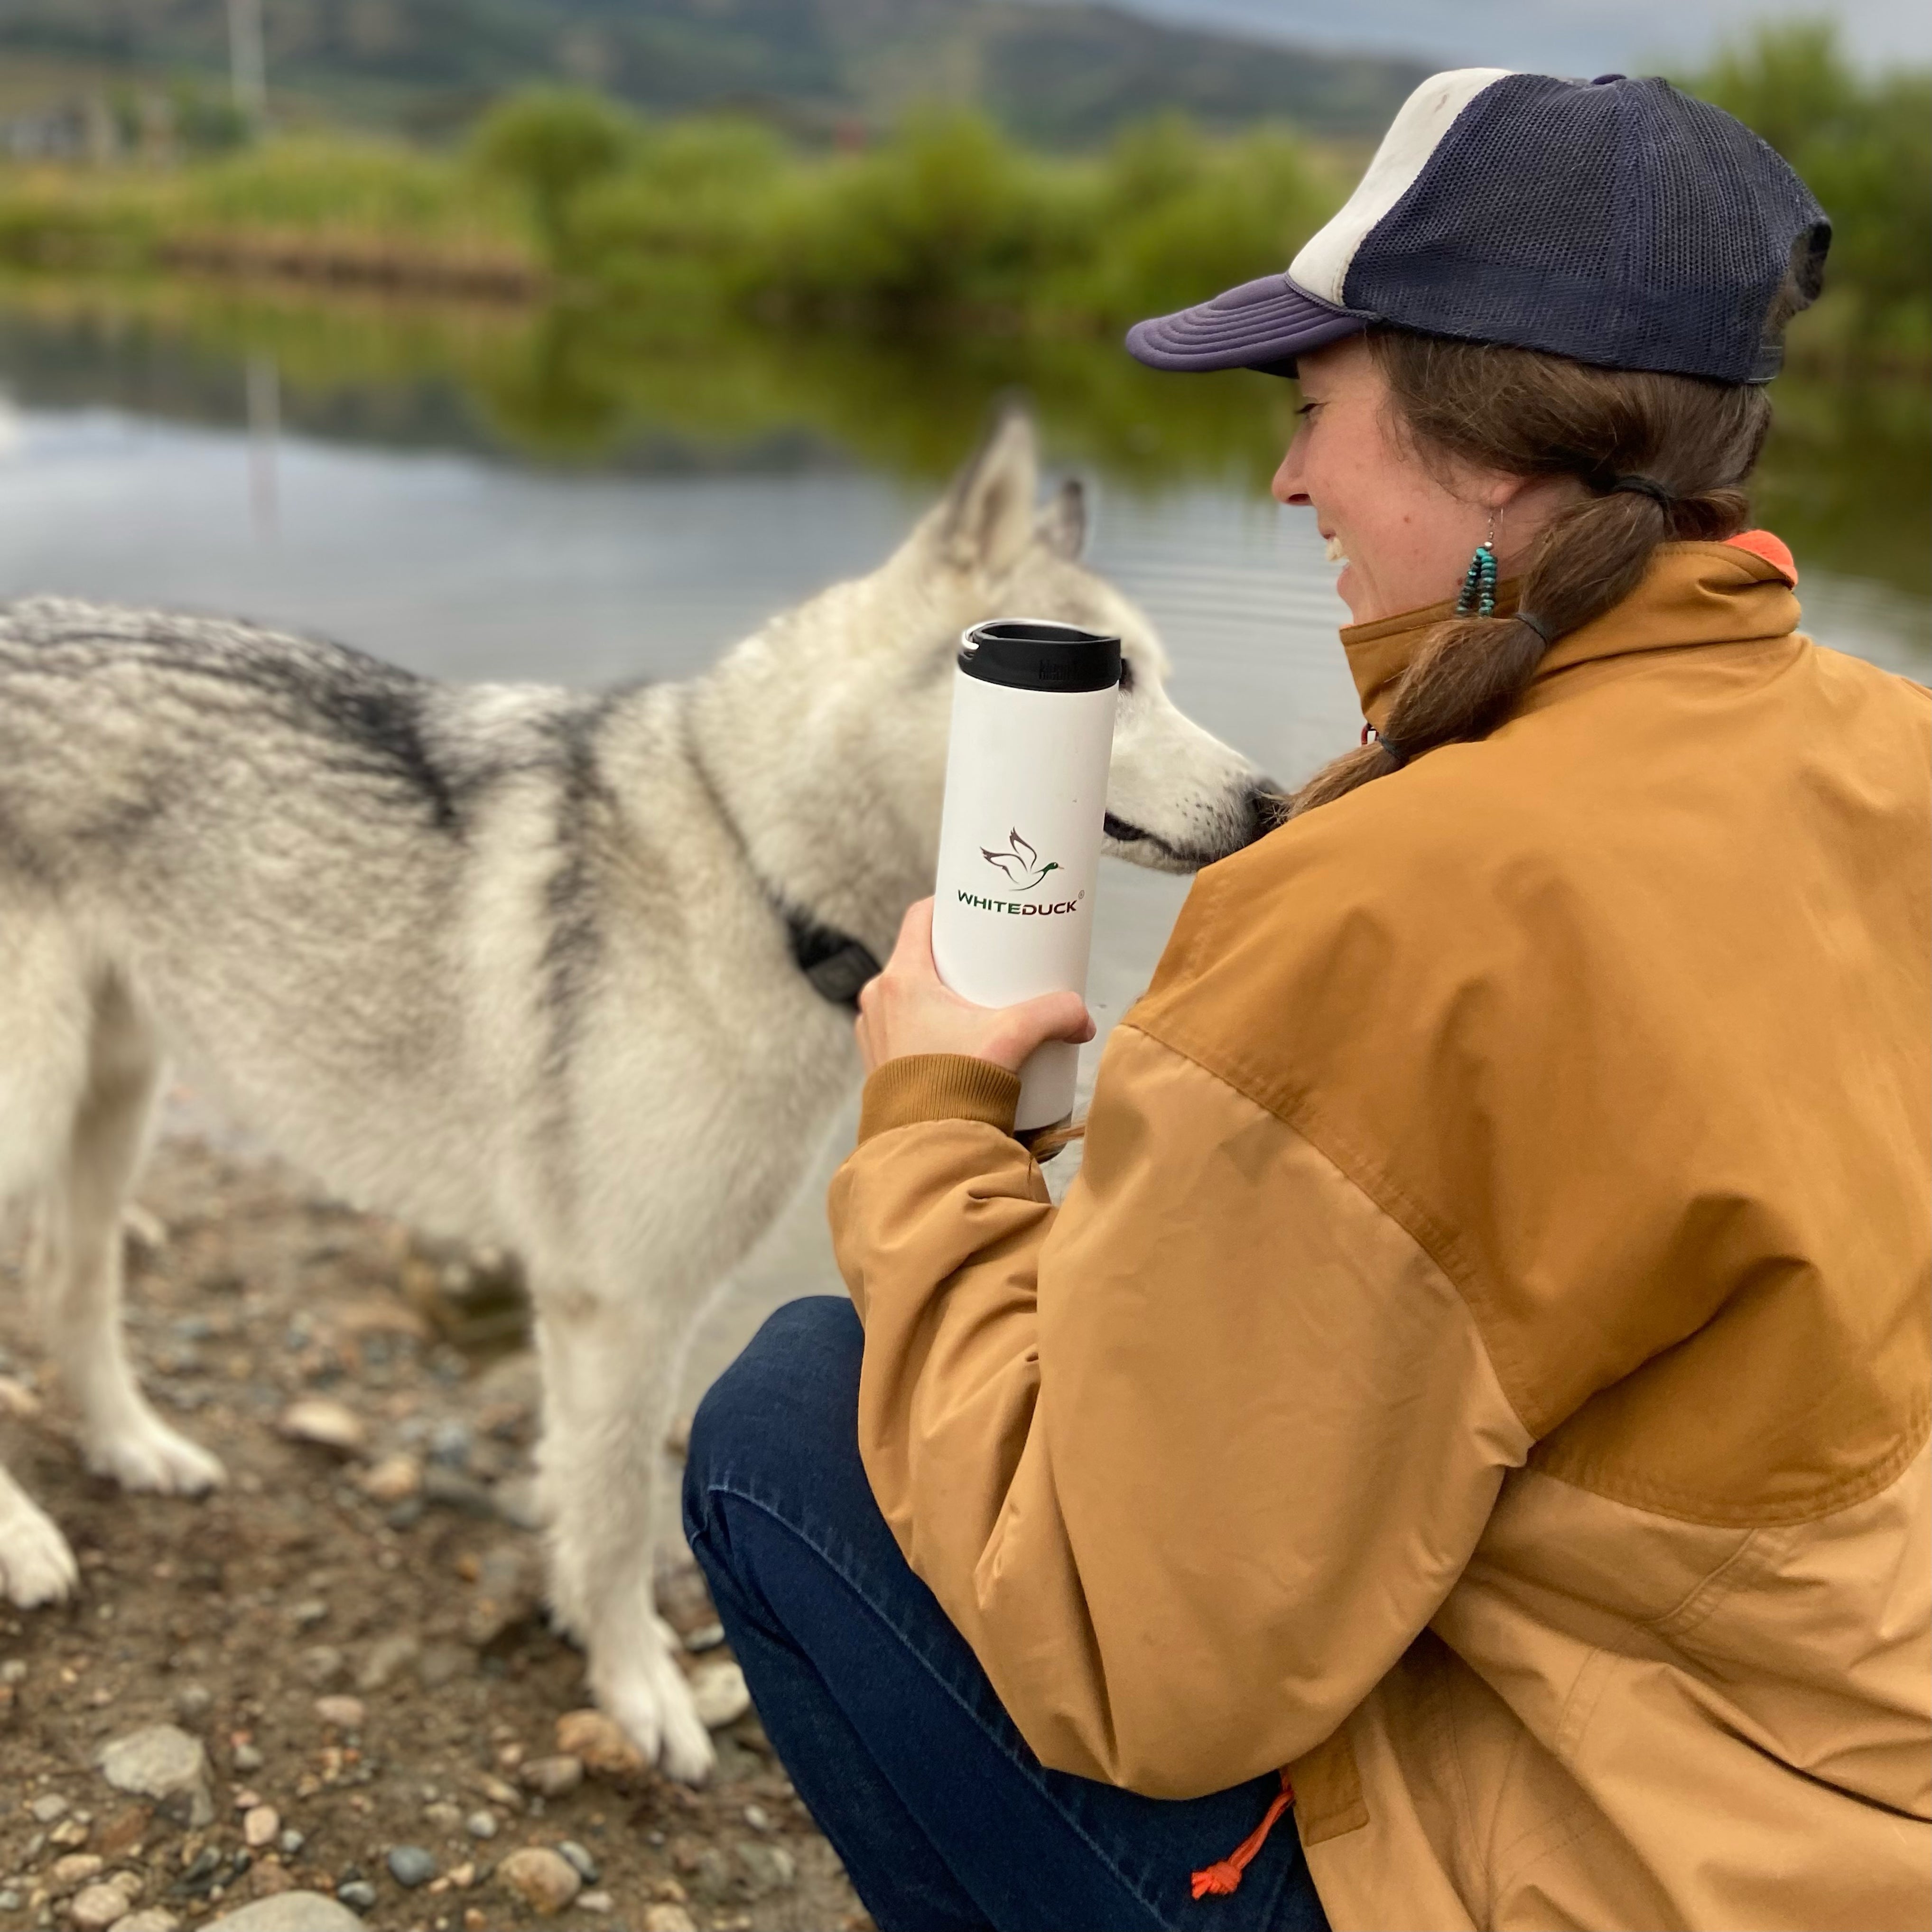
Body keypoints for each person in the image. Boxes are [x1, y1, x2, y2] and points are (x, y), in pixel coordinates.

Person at [683, 68, 1930, 1932]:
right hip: (1839, 1804)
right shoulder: (1884, 749)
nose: (1282, 478)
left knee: (791, 1419)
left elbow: (1129, 1663)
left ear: (1492, 450)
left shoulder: (1397, 896)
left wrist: (938, 1127)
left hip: (1629, 1877)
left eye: (1309, 407)